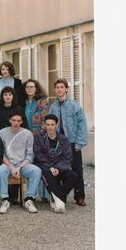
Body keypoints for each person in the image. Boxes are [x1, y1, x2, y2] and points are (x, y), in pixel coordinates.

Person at [49, 78, 88, 206]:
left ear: (66, 89)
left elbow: (82, 124)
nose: (59, 89)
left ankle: (80, 195)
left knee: (77, 170)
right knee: (59, 168)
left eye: (62, 87)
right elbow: (50, 124)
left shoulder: (74, 106)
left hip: (72, 142)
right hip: (59, 144)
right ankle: (60, 194)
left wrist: (79, 143)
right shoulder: (53, 107)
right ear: (55, 90)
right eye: (57, 87)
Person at [0, 112, 42, 214]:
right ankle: (5, 200)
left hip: (23, 165)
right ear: (9, 120)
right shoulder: (2, 132)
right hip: (7, 164)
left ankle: (29, 199)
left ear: (22, 122)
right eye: (13, 120)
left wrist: (19, 167)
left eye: (18, 121)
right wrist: (11, 168)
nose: (16, 123)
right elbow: (1, 154)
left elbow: (30, 155)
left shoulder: (27, 134)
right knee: (0, 170)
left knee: (36, 171)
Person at [33, 114, 77, 213]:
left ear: (56, 125)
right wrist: (50, 167)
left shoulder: (63, 139)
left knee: (73, 175)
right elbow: (38, 155)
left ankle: (58, 199)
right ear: (44, 125)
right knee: (46, 172)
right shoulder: (39, 137)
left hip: (59, 166)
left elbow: (68, 157)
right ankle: (60, 202)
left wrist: (58, 168)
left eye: (52, 124)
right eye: (48, 124)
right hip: (44, 165)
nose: (50, 127)